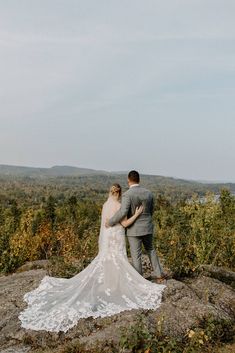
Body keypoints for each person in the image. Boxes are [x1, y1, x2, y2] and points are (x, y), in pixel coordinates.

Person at [19, 183, 165, 333]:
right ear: (120, 193)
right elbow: (126, 223)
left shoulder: (104, 205)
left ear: (110, 192)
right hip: (117, 236)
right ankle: (115, 285)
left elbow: (105, 224)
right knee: (118, 259)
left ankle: (110, 283)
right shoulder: (118, 207)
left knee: (109, 259)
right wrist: (137, 213)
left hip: (108, 236)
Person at [106, 170, 166, 282]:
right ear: (139, 179)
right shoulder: (148, 193)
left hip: (133, 229)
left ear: (128, 180)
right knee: (151, 250)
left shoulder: (127, 195)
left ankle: (139, 279)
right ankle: (159, 275)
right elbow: (151, 211)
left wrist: (110, 222)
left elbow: (123, 212)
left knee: (136, 255)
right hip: (147, 227)